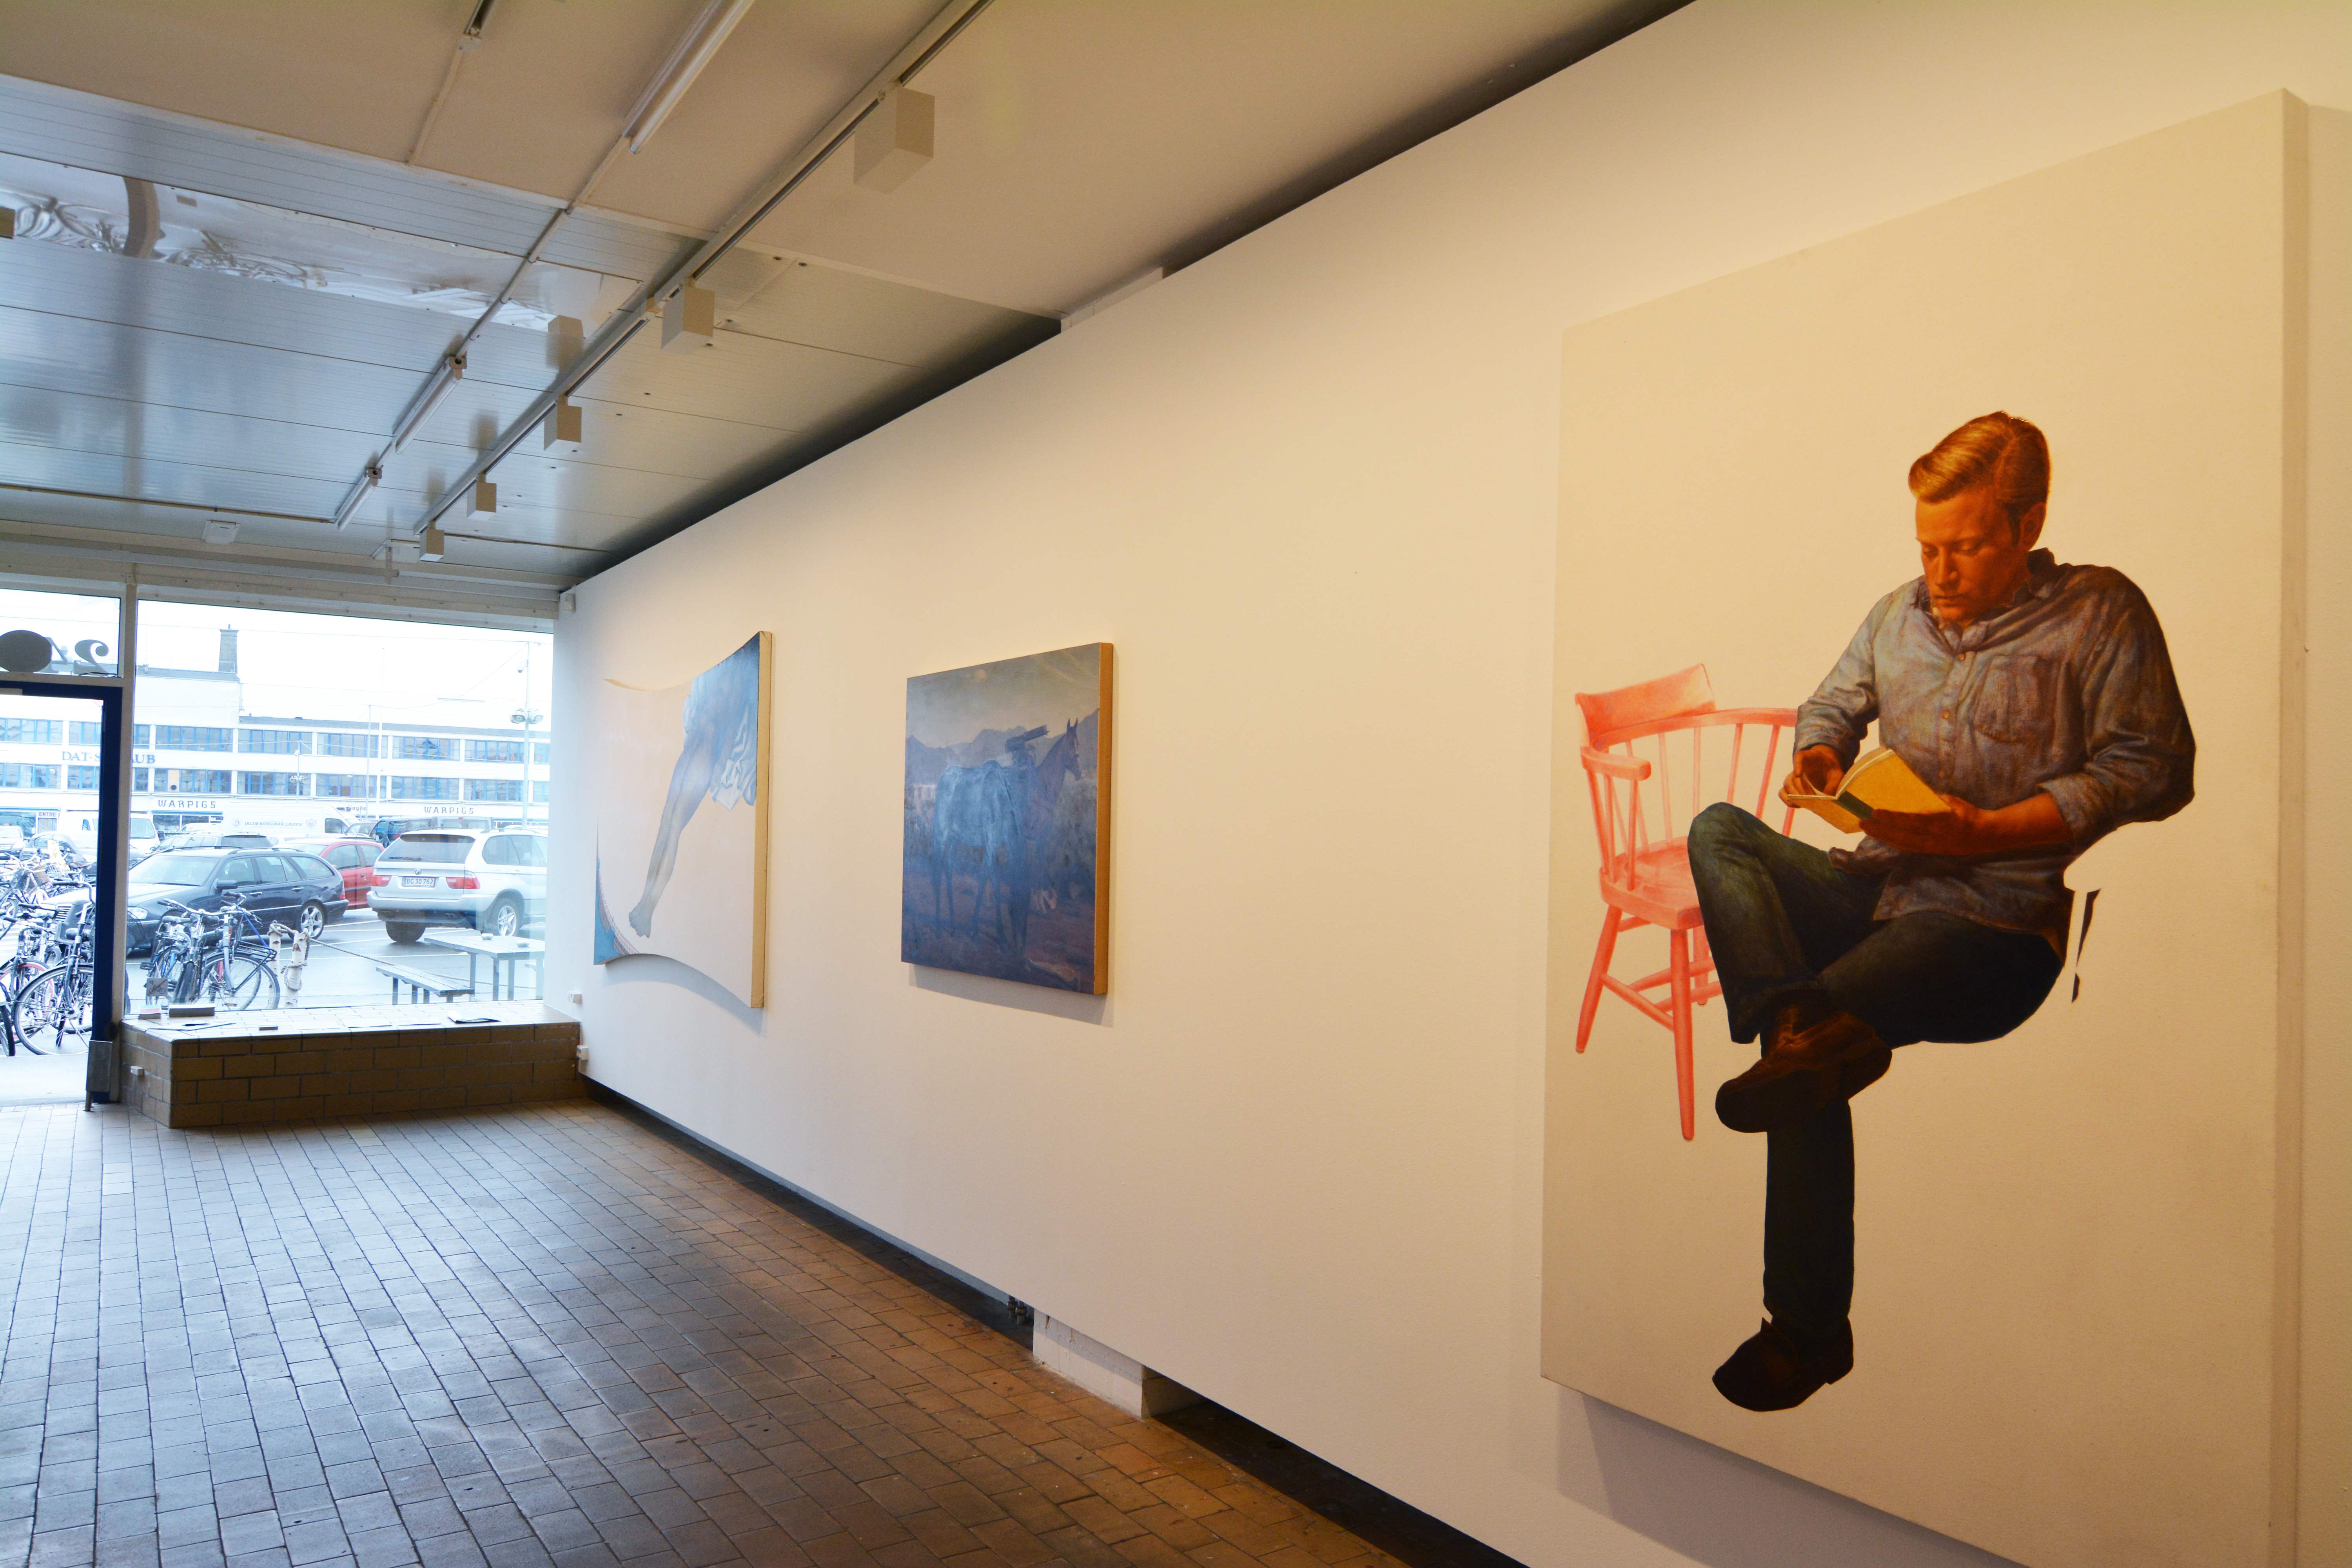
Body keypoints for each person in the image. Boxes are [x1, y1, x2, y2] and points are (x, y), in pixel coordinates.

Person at [1686, 412, 2194, 1412]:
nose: (1940, 572)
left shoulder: (2099, 614)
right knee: (1719, 831)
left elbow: (2154, 768)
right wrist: (1822, 754)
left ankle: (1805, 1334)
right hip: (1877, 881)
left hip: (1994, 920)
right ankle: (1795, 1023)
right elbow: (1831, 705)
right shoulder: (1896, 614)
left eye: (1963, 547)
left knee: (1812, 1051)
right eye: (1927, 547)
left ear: (2027, 525)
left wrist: (1989, 831)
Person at [628, 637, 759, 939]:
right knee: (667, 822)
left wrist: (717, 769)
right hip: (693, 752)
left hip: (702, 756)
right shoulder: (718, 670)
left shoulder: (736, 682)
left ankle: (649, 908)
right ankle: (644, 904)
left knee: (673, 827)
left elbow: (729, 732)